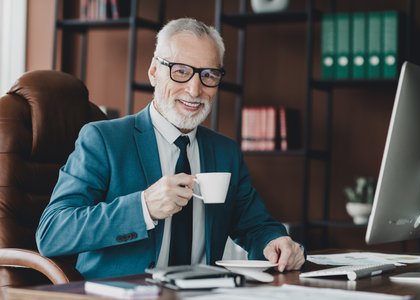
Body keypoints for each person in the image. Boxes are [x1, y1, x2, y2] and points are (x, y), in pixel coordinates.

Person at [36, 17, 305, 280]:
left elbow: (256, 225)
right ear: (154, 72)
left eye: (208, 75)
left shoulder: (226, 152)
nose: (194, 89)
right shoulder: (104, 139)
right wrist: (143, 208)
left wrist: (276, 242)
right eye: (180, 71)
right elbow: (53, 232)